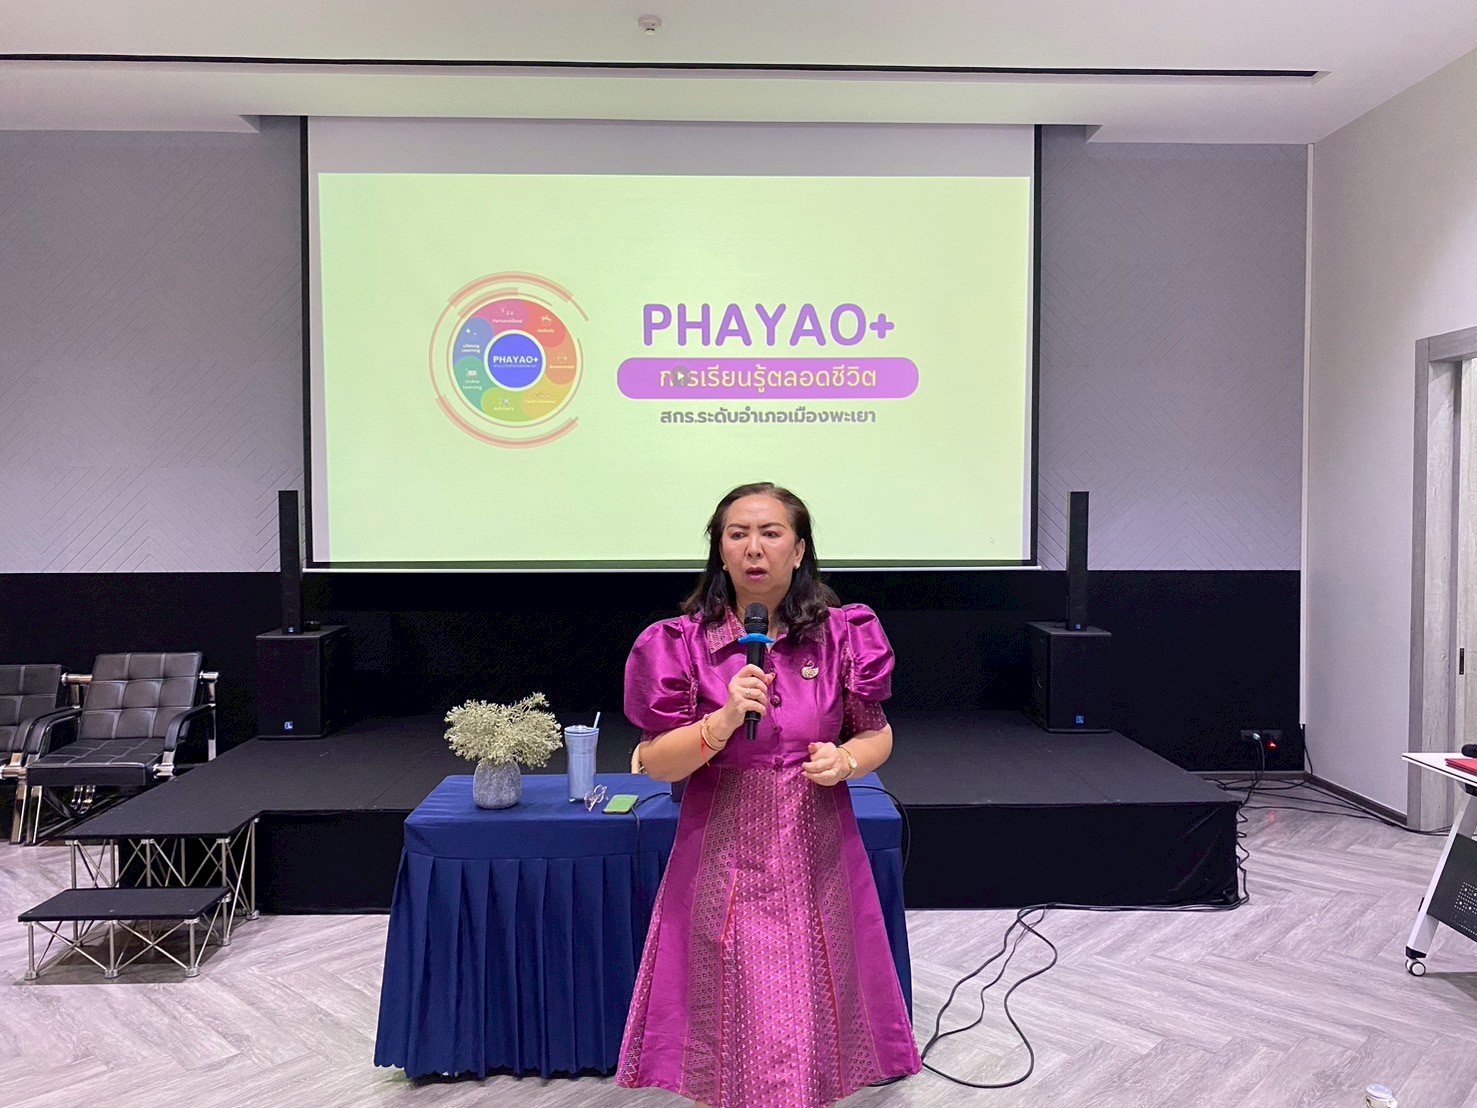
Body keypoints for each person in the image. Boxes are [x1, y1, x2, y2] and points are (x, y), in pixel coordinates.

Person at [617, 482, 922, 1107]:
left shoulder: (843, 635)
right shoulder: (680, 642)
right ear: (721, 552)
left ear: (799, 549)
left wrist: (847, 760)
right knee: (735, 1001)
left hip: (817, 850)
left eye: (770, 533)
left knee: (811, 1000)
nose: (753, 548)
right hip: (722, 853)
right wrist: (721, 722)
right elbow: (654, 762)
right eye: (738, 535)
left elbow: (877, 735)